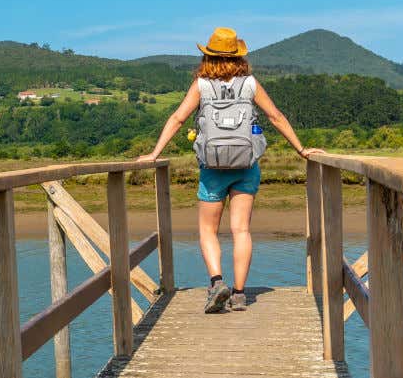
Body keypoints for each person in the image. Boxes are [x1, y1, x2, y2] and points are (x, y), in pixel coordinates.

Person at [138, 27, 323, 313]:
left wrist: (154, 153)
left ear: (208, 56)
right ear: (238, 56)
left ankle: (216, 282)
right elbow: (275, 116)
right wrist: (301, 149)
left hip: (212, 168)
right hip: (245, 166)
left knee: (208, 230)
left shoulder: (201, 84)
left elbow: (177, 119)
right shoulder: (249, 83)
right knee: (241, 230)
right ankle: (238, 294)